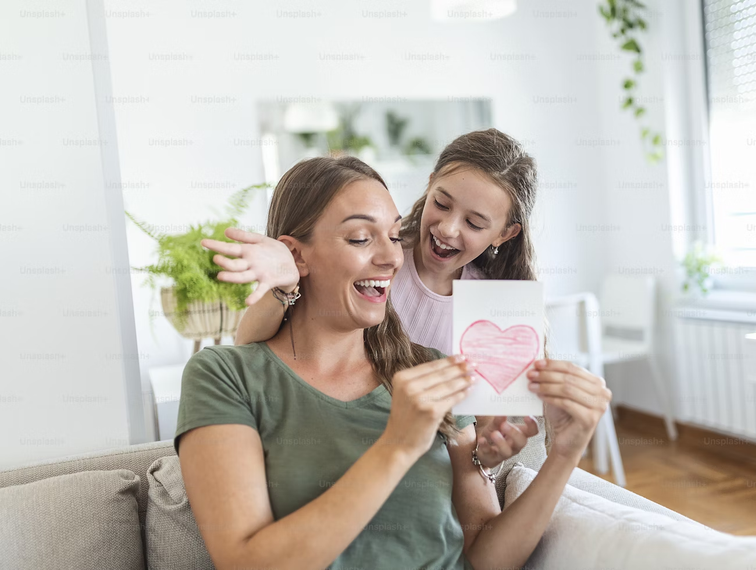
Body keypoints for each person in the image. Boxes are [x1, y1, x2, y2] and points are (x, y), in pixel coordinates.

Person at [176, 155, 612, 569]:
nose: (391, 257)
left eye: (393, 234)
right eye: (361, 238)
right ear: (296, 256)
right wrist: (398, 445)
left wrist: (566, 454)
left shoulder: (433, 371)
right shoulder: (224, 376)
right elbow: (244, 563)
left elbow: (488, 557)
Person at [205, 129, 544, 466]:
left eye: (473, 223)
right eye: (441, 203)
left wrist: (485, 453)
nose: (447, 229)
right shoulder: (372, 267)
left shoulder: (501, 307)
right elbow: (250, 351)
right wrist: (284, 282)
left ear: (505, 233)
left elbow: (480, 438)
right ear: (429, 185)